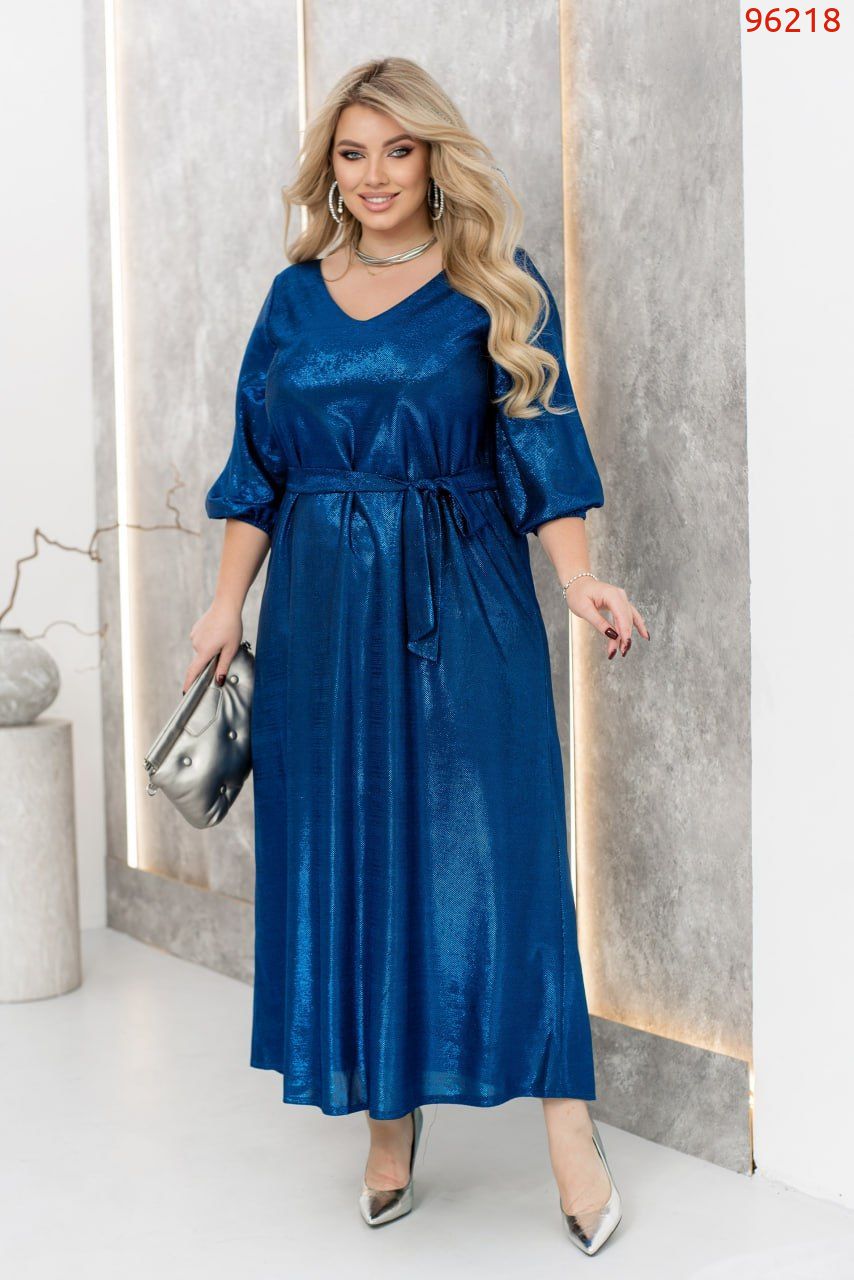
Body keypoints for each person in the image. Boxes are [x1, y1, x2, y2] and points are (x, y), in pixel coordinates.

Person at [186, 56, 648, 1255]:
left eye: (397, 150)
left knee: (505, 850)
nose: (375, 175)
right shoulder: (293, 298)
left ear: (434, 157)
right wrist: (225, 604)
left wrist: (578, 578)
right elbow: (255, 469)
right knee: (351, 847)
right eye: (352, 153)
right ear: (329, 168)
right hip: (321, 612)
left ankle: (568, 1131)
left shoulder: (494, 280)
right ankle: (386, 1119)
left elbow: (543, 447)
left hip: (465, 592)